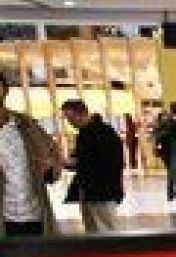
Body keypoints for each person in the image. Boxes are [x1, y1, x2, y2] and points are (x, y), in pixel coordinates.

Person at [0, 71, 61, 237]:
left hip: (35, 215)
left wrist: (50, 168)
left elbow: (53, 154)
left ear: (5, 90)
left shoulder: (26, 123)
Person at [61, 99, 124, 232]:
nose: (70, 123)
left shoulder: (103, 133)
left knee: (106, 231)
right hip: (89, 191)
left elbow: (99, 163)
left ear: (81, 113)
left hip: (102, 192)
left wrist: (67, 162)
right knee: (93, 231)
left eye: (70, 118)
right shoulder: (85, 133)